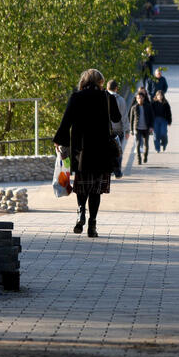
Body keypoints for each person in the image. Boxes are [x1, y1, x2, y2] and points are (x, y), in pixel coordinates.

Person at [53, 68, 121, 237]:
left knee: (82, 185)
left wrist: (59, 140)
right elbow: (117, 118)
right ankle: (92, 226)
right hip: (102, 150)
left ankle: (81, 212)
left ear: (83, 81)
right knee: (96, 190)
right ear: (100, 82)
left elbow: (66, 121)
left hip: (81, 151)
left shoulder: (76, 97)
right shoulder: (107, 97)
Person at [107, 79, 129, 178]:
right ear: (116, 88)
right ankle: (117, 171)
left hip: (105, 130)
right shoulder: (120, 100)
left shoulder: (101, 97)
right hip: (117, 129)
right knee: (118, 151)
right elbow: (124, 116)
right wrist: (127, 129)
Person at [129, 90, 153, 165]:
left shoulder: (148, 107)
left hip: (146, 128)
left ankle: (145, 156)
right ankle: (139, 159)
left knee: (146, 144)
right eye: (138, 98)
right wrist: (131, 130)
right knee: (138, 144)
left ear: (143, 98)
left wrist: (151, 127)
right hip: (137, 129)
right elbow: (131, 120)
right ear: (136, 99)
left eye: (141, 98)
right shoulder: (134, 108)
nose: (139, 99)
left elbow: (152, 117)